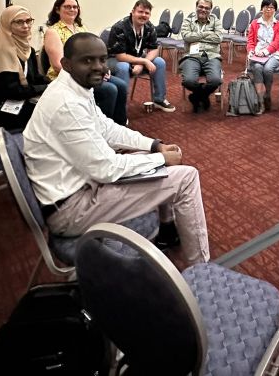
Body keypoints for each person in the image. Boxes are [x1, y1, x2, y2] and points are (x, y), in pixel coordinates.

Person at [24, 32, 209, 264]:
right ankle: (201, 270)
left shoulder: (73, 86)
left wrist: (154, 146)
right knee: (186, 177)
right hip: (71, 211)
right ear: (66, 64)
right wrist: (161, 159)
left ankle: (167, 230)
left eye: (102, 59)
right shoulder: (67, 104)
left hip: (78, 186)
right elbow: (107, 169)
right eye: (87, 60)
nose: (98, 67)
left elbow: (107, 129)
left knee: (149, 154)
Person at [43, 0, 128, 125]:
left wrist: (103, 69)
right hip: (66, 76)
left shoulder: (81, 29)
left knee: (121, 86)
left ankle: (118, 126)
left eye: (75, 7)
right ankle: (100, 130)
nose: (72, 10)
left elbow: (95, 54)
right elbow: (58, 65)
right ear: (57, 9)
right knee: (109, 90)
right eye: (67, 7)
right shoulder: (52, 32)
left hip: (90, 71)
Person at [0, 5, 48, 134]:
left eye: (28, 21)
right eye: (19, 22)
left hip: (17, 98)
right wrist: (45, 88)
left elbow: (35, 77)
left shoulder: (27, 49)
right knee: (48, 113)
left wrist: (52, 83)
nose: (26, 26)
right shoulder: (2, 51)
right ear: (7, 25)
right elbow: (14, 91)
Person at [107, 0, 175, 113]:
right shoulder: (119, 28)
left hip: (137, 57)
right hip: (114, 60)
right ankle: (120, 107)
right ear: (133, 11)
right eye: (140, 12)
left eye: (147, 13)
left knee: (159, 62)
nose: (143, 15)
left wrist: (143, 62)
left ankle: (159, 99)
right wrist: (143, 62)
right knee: (123, 67)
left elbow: (154, 49)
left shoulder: (149, 27)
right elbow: (120, 56)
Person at [179, 0, 223, 113]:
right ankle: (203, 95)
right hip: (191, 56)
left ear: (210, 10)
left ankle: (197, 96)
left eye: (207, 8)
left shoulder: (216, 21)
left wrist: (196, 35)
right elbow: (186, 36)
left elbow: (218, 38)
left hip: (212, 56)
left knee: (215, 80)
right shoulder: (188, 21)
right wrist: (207, 33)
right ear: (196, 7)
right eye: (201, 7)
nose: (203, 10)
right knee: (188, 81)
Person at [246, 0, 279, 112]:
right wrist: (251, 51)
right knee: (257, 68)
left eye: (272, 7)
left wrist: (266, 51)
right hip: (257, 54)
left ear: (275, 10)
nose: (269, 9)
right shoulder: (254, 23)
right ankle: (260, 100)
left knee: (268, 69)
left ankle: (267, 94)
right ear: (262, 9)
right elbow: (250, 41)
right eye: (266, 7)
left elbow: (277, 42)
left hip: (273, 54)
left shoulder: (278, 24)